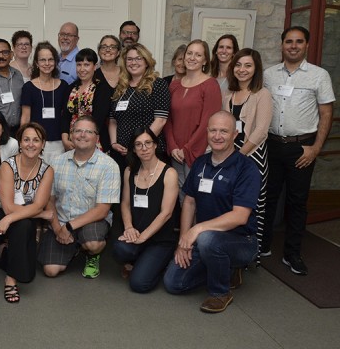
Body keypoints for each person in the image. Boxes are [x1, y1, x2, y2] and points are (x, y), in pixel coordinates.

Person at [163, 111, 261, 313]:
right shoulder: (200, 163)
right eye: (213, 130)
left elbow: (240, 216)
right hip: (205, 238)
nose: (217, 136)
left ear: (234, 134)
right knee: (174, 283)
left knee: (208, 239)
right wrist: (184, 240)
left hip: (242, 240)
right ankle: (226, 269)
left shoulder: (246, 169)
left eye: (224, 131)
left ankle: (220, 292)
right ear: (206, 132)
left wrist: (197, 229)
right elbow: (189, 202)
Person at [262, 26, 335, 275]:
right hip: (271, 145)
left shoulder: (319, 75)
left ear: (306, 45)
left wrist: (315, 148)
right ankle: (263, 245)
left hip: (302, 148)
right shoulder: (268, 74)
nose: (293, 46)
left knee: (297, 202)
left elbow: (326, 113)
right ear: (282, 45)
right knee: (267, 197)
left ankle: (292, 253)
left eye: (299, 42)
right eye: (289, 41)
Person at [38, 116, 120, 279]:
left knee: (93, 243)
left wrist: (68, 227)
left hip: (92, 221)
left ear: (97, 138)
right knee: (51, 270)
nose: (82, 135)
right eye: (78, 131)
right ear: (71, 135)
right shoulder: (57, 162)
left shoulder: (109, 165)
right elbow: (50, 200)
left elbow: (102, 210)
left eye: (88, 131)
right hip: (61, 221)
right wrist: (57, 229)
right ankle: (74, 247)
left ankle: (91, 254)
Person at [0, 123, 54, 303]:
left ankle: (8, 266)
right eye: (26, 140)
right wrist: (38, 214)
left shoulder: (47, 170)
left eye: (36, 140)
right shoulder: (8, 166)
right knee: (24, 224)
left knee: (22, 224)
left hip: (18, 216)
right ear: (20, 143)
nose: (31, 144)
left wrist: (14, 217)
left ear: (43, 144)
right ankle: (11, 273)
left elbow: (39, 204)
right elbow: (8, 207)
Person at [113, 127, 179, 293]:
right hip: (136, 234)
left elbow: (166, 213)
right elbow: (125, 203)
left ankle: (159, 262)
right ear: (134, 149)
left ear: (155, 145)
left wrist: (143, 237)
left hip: (159, 238)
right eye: (139, 144)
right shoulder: (129, 171)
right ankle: (142, 260)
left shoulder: (169, 173)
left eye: (148, 143)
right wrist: (129, 227)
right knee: (119, 248)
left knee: (139, 285)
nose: (144, 148)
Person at [221, 48, 272, 264]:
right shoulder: (228, 96)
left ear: (256, 69)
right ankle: (232, 250)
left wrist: (238, 156)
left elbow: (261, 131)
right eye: (239, 65)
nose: (242, 70)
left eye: (248, 65)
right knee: (231, 204)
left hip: (253, 158)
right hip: (229, 156)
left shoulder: (262, 95)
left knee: (254, 206)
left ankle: (254, 254)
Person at [164, 39, 222, 195]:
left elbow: (208, 122)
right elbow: (168, 119)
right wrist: (173, 146)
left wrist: (187, 149)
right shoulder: (174, 85)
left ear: (205, 60)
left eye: (198, 55)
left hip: (198, 150)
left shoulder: (210, 85)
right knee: (180, 197)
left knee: (196, 198)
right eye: (189, 53)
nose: (192, 58)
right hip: (176, 152)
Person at [109, 43, 169, 174]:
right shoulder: (120, 87)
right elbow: (113, 120)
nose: (133, 62)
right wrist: (114, 143)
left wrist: (139, 146)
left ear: (147, 61)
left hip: (147, 152)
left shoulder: (158, 84)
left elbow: (161, 120)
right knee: (124, 192)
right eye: (129, 59)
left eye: (138, 58)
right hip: (121, 153)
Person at [20, 41, 69, 164]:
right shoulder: (28, 87)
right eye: (42, 60)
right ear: (36, 63)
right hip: (35, 143)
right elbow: (25, 118)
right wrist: (23, 142)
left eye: (50, 59)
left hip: (59, 143)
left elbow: (66, 116)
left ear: (55, 62)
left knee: (56, 180)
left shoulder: (63, 86)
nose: (47, 64)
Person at [61, 48, 114, 152]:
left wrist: (82, 137)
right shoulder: (70, 88)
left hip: (94, 141)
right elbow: (65, 116)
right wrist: (64, 138)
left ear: (95, 67)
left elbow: (98, 119)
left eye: (86, 65)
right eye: (79, 64)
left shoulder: (102, 89)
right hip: (72, 142)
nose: (82, 69)